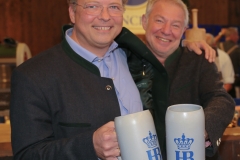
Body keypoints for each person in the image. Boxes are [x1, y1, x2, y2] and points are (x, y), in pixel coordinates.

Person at [10, 0, 216, 159]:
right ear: (72, 12)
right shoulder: (34, 76)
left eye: (114, 7)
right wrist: (89, 146)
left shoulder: (134, 55)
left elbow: (166, 47)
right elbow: (27, 153)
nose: (105, 16)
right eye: (93, 6)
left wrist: (189, 44)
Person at [141, 0, 235, 159]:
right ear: (144, 21)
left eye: (176, 25)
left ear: (184, 30)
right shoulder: (125, 60)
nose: (166, 30)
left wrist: (202, 128)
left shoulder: (198, 60)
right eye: (159, 21)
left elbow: (220, 98)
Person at [216, 27, 240, 97]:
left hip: (218, 82)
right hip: (232, 84)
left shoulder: (218, 45)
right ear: (233, 35)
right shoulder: (237, 50)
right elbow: (209, 41)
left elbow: (211, 41)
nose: (238, 37)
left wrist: (221, 34)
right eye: (237, 35)